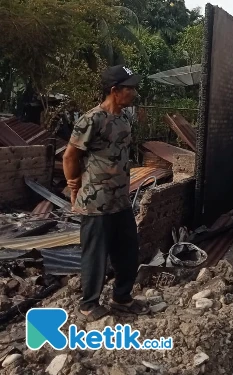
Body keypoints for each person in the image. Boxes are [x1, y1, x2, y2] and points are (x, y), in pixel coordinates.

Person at [63, 65, 150, 322]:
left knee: (128, 250)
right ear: (115, 90)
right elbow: (70, 155)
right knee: (95, 253)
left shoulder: (124, 119)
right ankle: (89, 304)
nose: (134, 92)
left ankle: (122, 297)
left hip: (121, 200)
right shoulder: (91, 119)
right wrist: (74, 186)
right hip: (96, 202)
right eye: (129, 88)